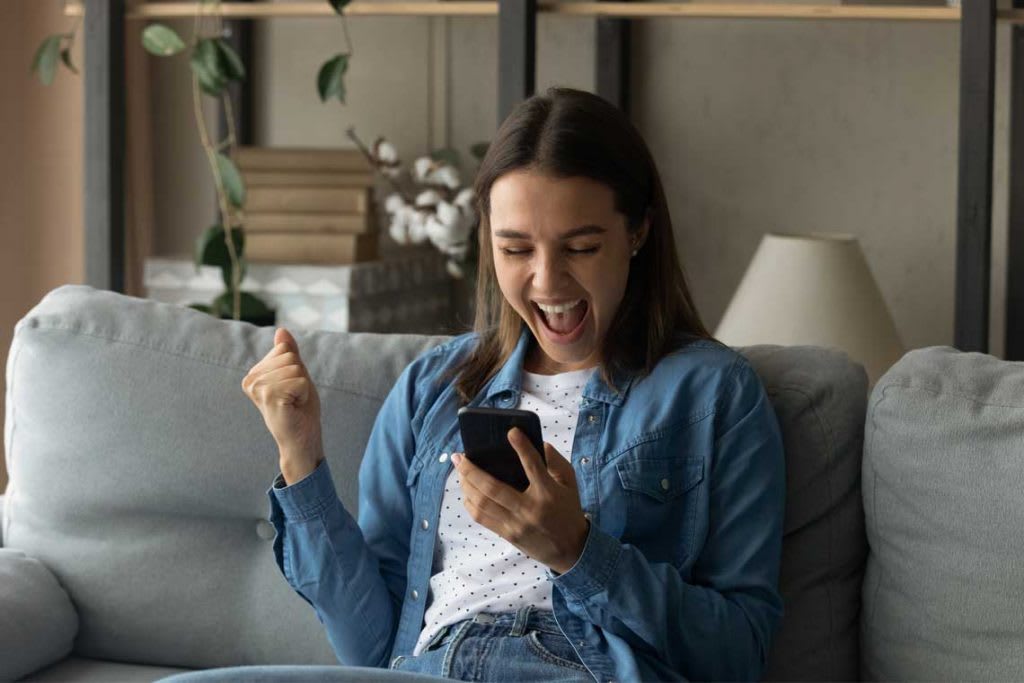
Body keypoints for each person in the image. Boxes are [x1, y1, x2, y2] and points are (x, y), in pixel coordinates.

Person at [173, 86, 785, 683]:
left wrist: (578, 550)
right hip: (428, 667)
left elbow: (738, 654)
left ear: (638, 232)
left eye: (581, 246)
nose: (547, 282)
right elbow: (370, 645)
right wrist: (300, 457)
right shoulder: (431, 389)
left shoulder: (712, 394)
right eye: (515, 249)